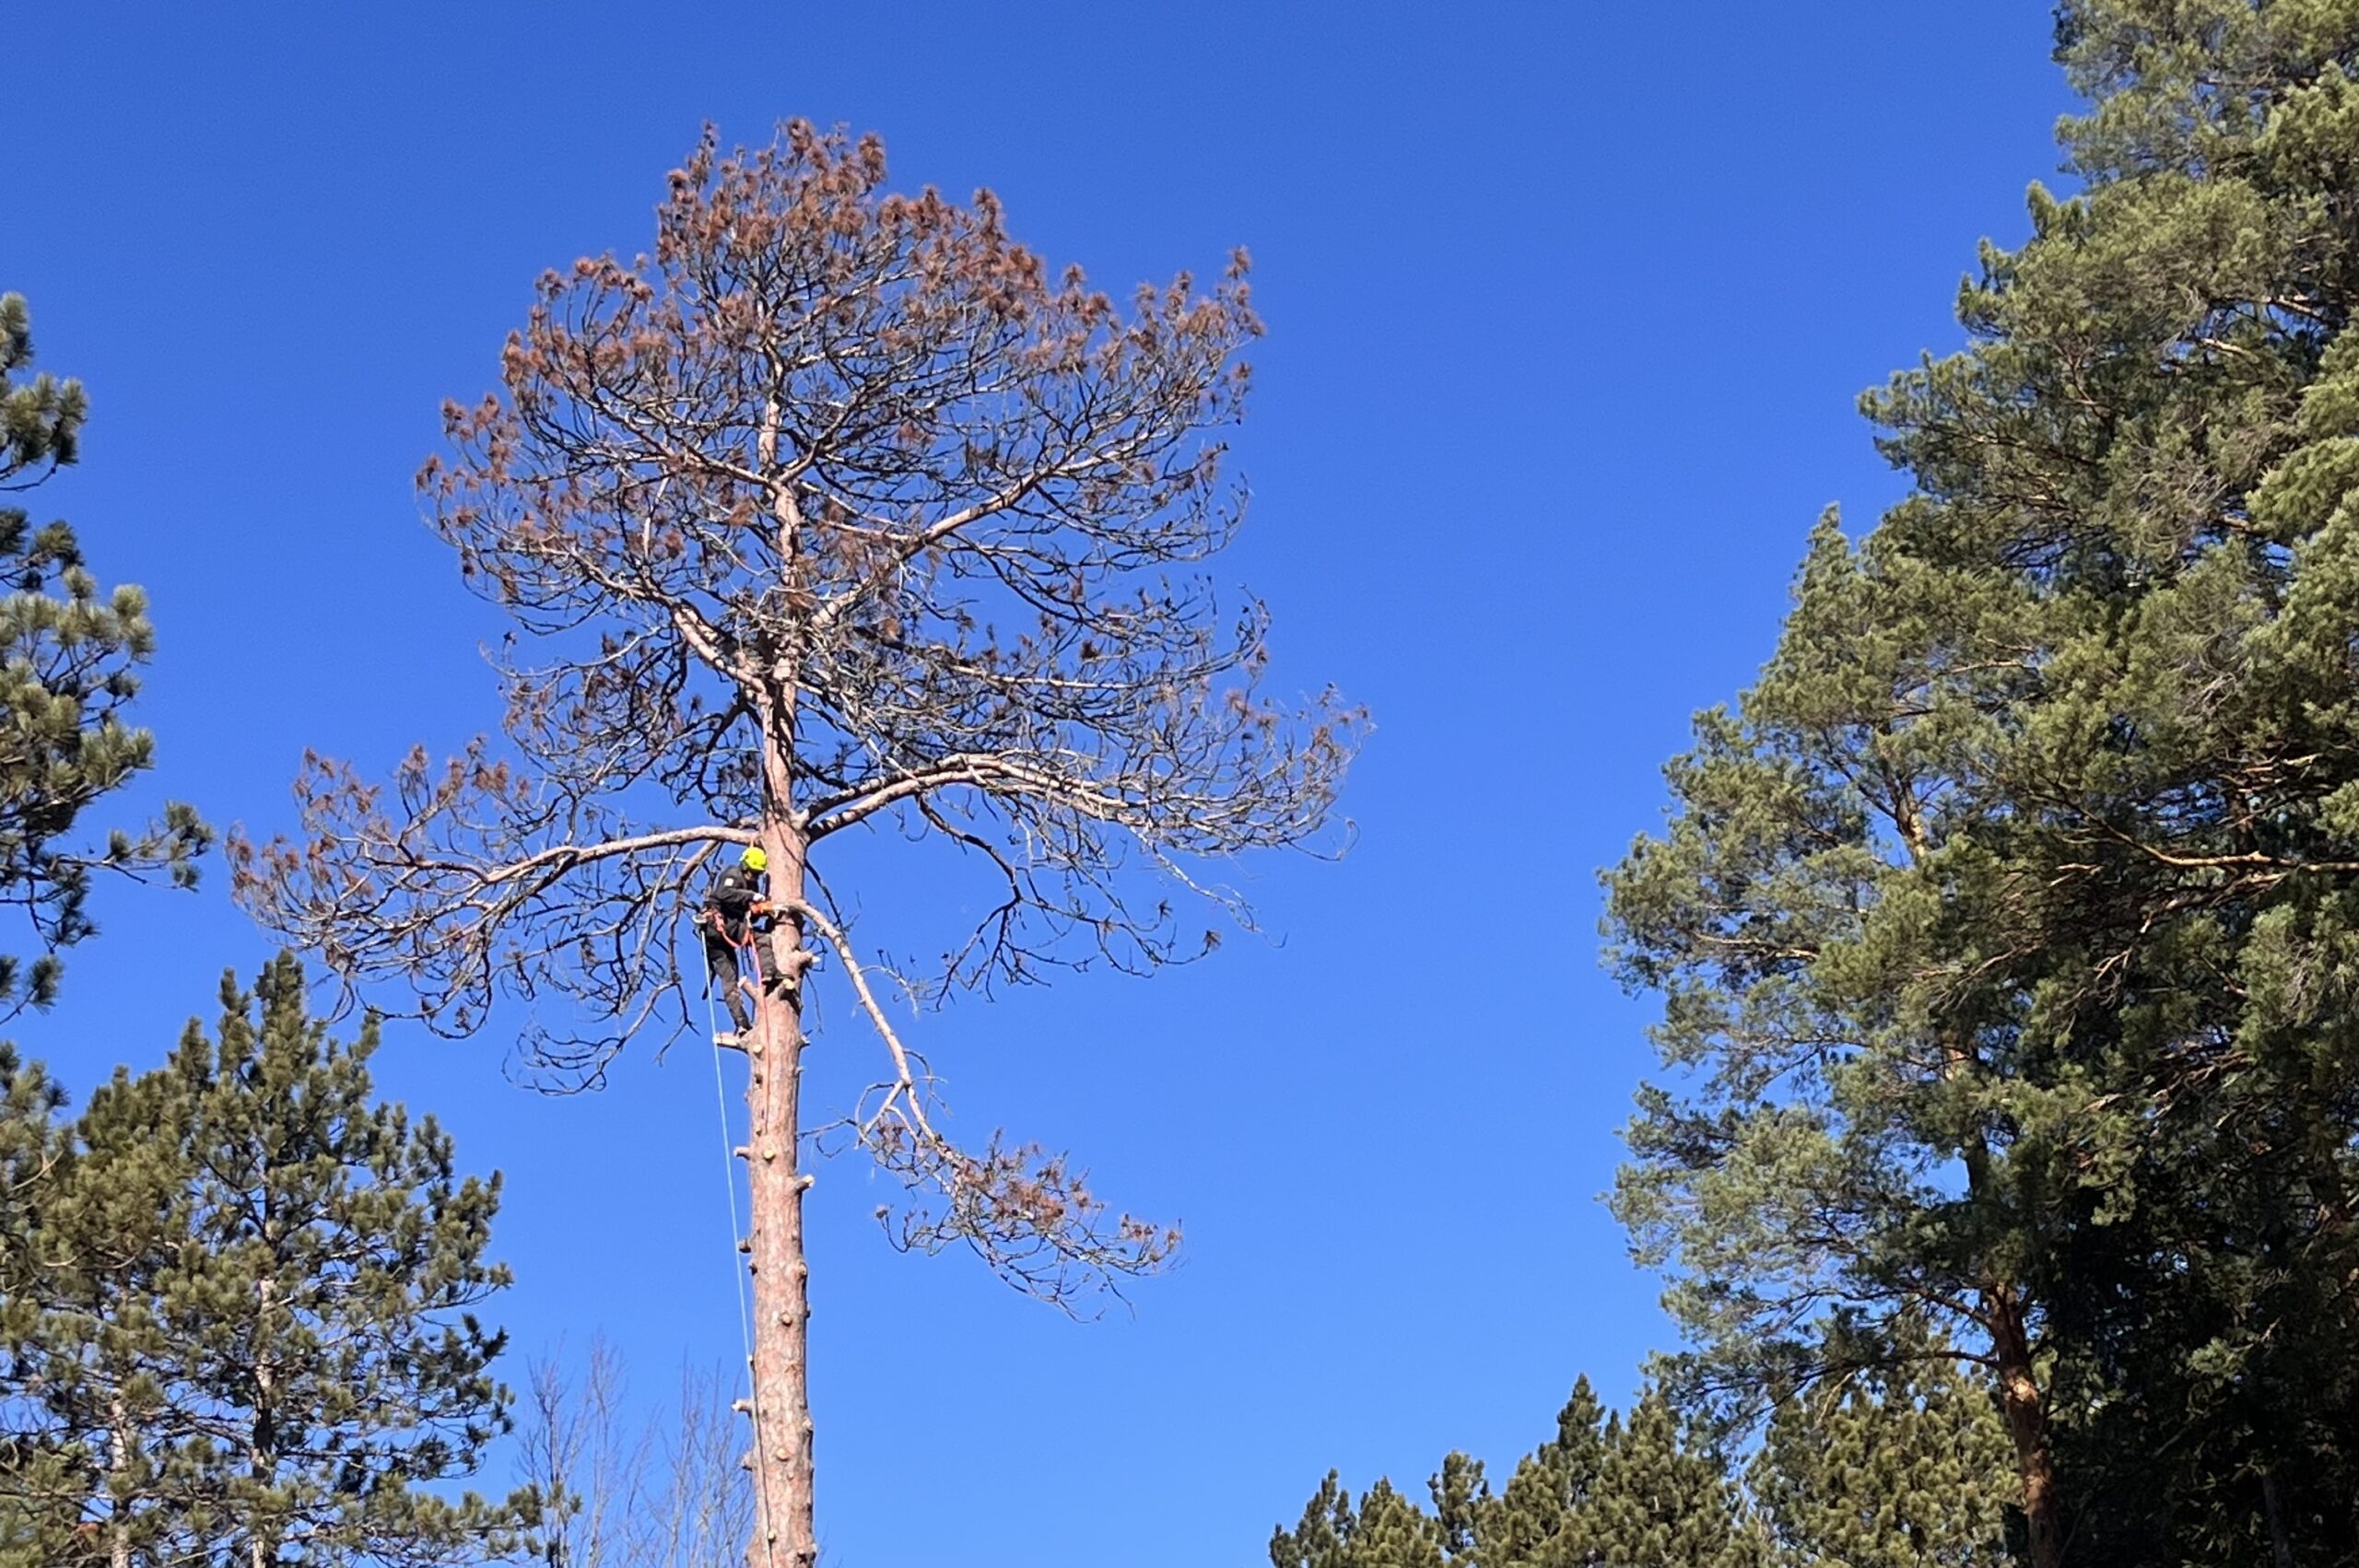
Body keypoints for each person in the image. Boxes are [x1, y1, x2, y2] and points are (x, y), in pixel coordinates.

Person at [703, 844, 775, 1043]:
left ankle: (742, 1025)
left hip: (729, 928)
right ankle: (769, 973)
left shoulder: (753, 885)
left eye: (757, 873)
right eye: (752, 872)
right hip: (720, 925)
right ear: (744, 866)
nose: (754, 876)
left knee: (730, 982)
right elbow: (724, 895)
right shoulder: (732, 874)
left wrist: (758, 910)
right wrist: (751, 897)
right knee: (762, 939)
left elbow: (747, 913)